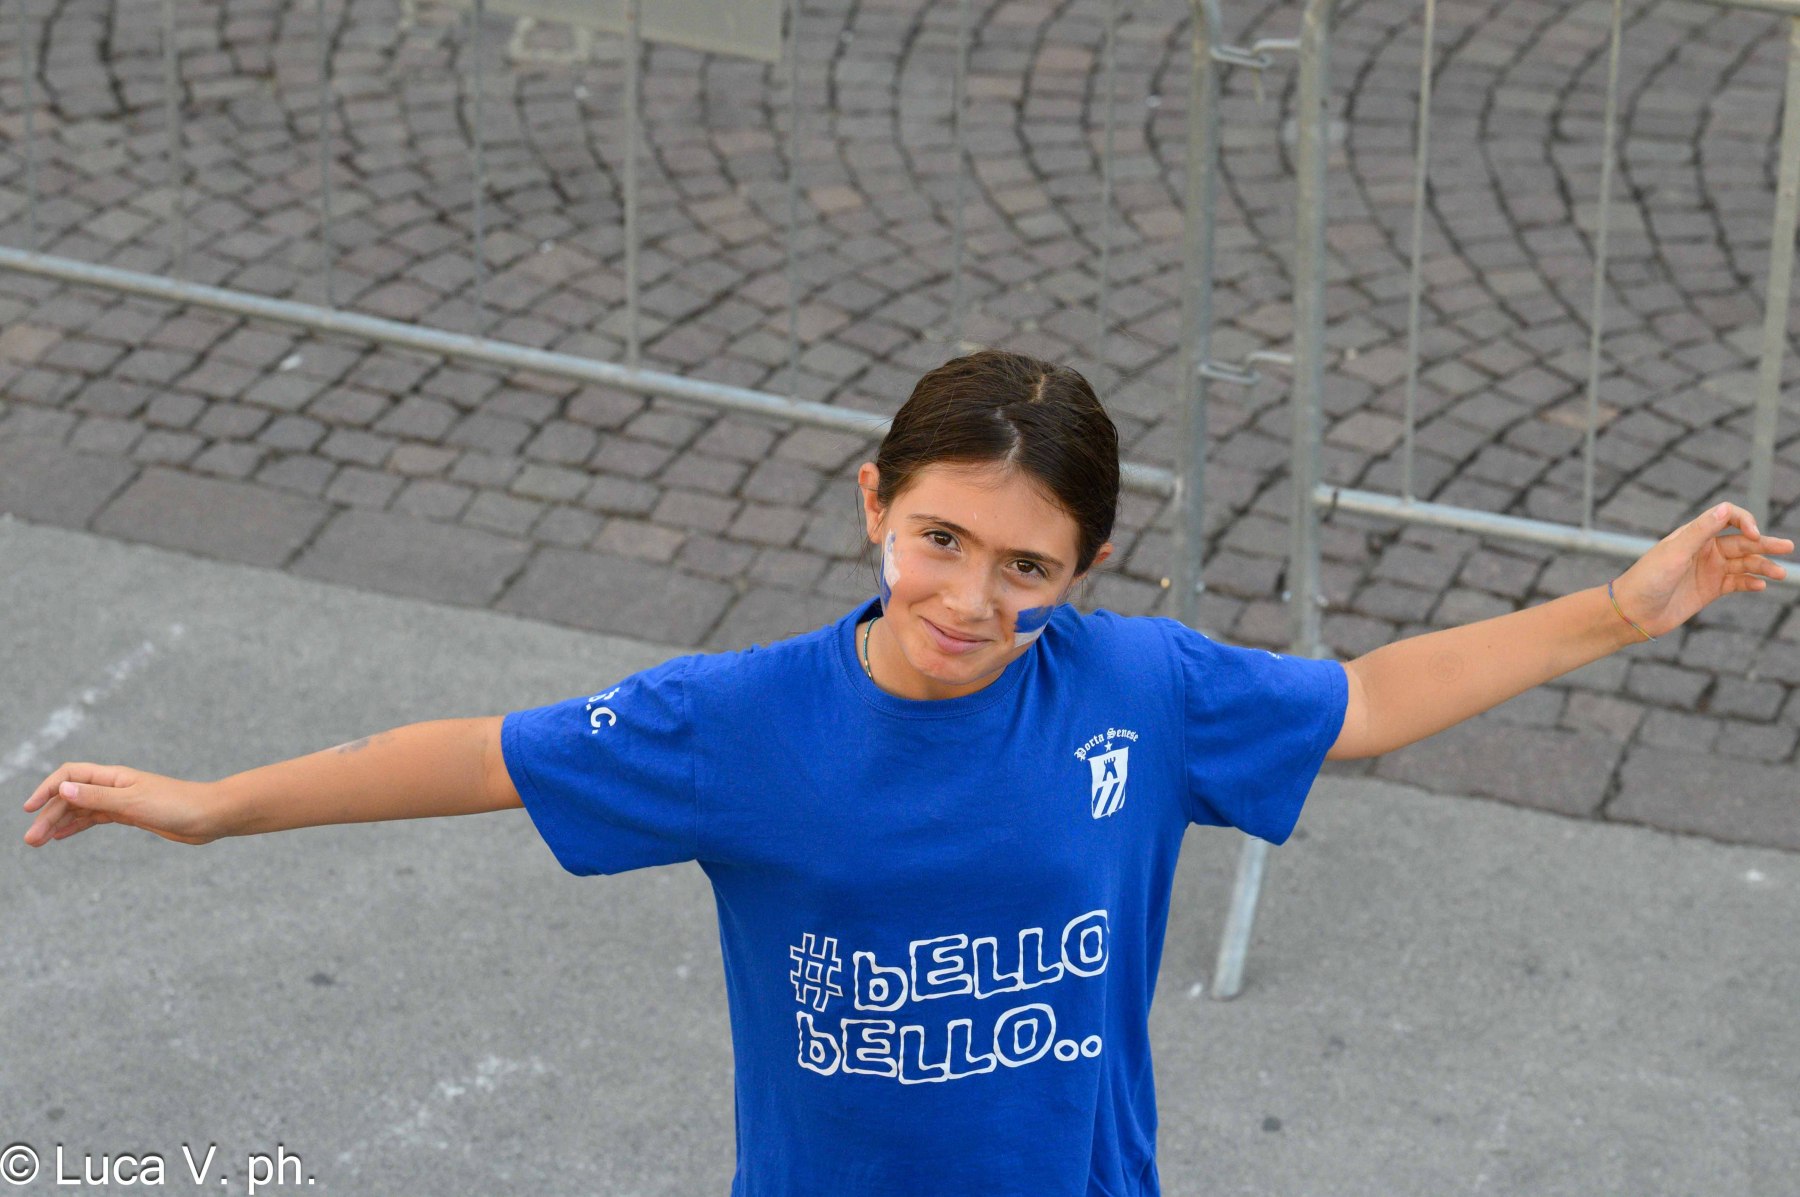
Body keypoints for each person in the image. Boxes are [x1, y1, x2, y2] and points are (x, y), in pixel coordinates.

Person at [19, 348, 1793, 1195]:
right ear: (875, 502)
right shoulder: (739, 724)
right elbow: (477, 755)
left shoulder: (1142, 687)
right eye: (941, 538)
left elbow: (1376, 698)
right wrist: (212, 803)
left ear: (1084, 569)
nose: (971, 598)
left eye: (1029, 566)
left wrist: (1625, 610)